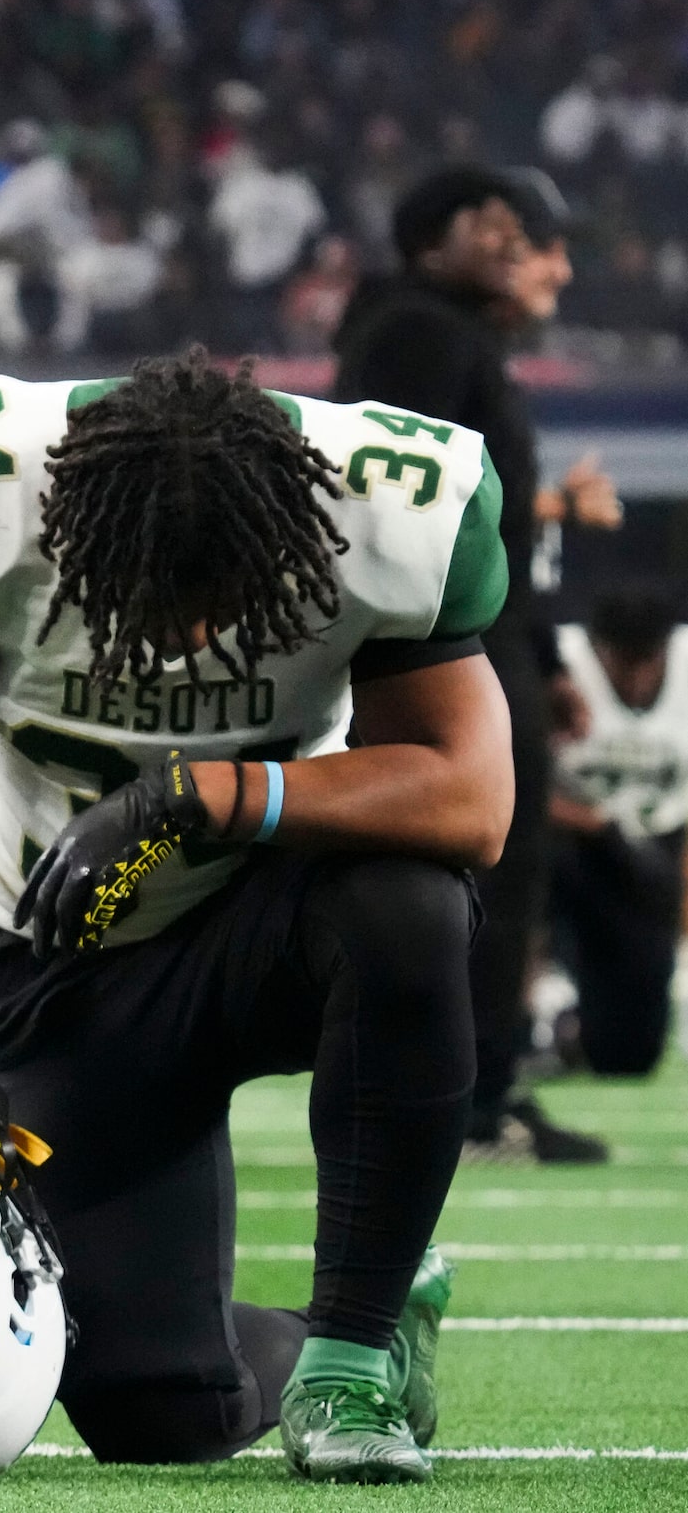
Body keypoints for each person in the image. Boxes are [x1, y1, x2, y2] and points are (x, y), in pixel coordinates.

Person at [0, 349, 502, 1480]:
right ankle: (377, 1323)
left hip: (266, 921)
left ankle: (352, 1348)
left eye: (225, 603)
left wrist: (197, 794)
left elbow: (468, 793)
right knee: (158, 1417)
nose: (192, 641)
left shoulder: (393, 503)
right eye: (158, 599)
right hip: (59, 954)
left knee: (410, 907)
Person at [332, 168, 608, 1164]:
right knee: (476, 879)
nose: (554, 265)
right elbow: (392, 512)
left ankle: (479, 1090)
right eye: (524, 235)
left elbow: (483, 522)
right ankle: (462, 1100)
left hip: (483, 647)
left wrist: (540, 657)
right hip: (445, 657)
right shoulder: (419, 337)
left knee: (502, 880)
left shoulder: (448, 337)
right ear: (442, 238)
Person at [548, 588, 688, 1075]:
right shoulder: (558, 668)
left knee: (630, 1057)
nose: (635, 678)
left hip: (654, 859)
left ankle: (574, 1022)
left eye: (647, 661)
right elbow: (508, 784)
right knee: (519, 861)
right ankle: (526, 1006)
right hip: (568, 846)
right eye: (621, 662)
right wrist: (595, 823)